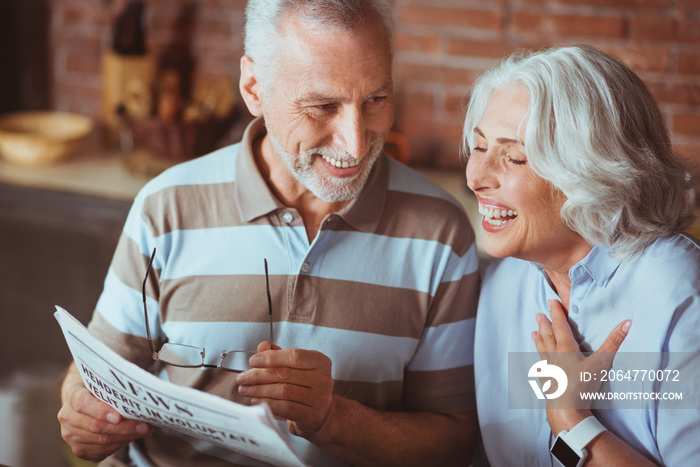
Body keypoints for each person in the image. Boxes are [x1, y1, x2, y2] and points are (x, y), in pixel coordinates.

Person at [57, 1, 480, 465]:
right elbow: (96, 369)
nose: (356, 143)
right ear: (254, 87)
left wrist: (335, 420)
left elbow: (453, 439)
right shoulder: (166, 207)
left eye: (376, 99)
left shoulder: (442, 231)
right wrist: (82, 411)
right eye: (323, 106)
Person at [463, 44, 700, 467]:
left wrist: (572, 421)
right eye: (479, 148)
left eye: (514, 157)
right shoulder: (500, 285)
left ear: (588, 172)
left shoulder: (679, 293)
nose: (476, 177)